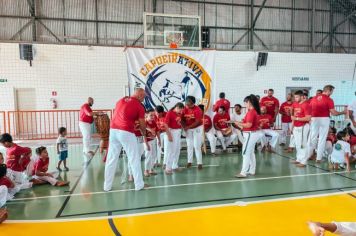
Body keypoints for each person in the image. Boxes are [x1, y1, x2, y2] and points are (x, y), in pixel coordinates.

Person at [104, 88, 148, 191]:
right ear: (139, 95)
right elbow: (142, 124)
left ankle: (107, 186)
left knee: (111, 159)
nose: (144, 99)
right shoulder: (139, 106)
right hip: (126, 132)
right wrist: (144, 133)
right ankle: (139, 185)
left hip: (113, 130)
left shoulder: (121, 100)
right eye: (144, 97)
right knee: (134, 158)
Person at [308, 85, 346, 163]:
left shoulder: (314, 98)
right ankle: (318, 158)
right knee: (322, 139)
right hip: (324, 119)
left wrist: (310, 119)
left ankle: (308, 155)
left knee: (312, 138)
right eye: (332, 91)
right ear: (328, 91)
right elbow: (334, 113)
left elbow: (309, 110)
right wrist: (343, 112)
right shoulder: (329, 99)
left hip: (314, 118)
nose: (332, 93)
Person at [234, 94, 261, 178]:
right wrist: (240, 123)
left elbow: (248, 125)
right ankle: (252, 170)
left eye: (245, 103)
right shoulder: (252, 111)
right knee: (251, 153)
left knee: (245, 153)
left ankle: (243, 172)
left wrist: (238, 123)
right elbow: (247, 123)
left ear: (249, 102)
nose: (245, 105)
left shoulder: (251, 112)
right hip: (252, 134)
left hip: (250, 134)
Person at [290, 90, 311, 168]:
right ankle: (299, 159)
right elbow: (293, 115)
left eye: (297, 97)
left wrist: (297, 119)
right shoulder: (295, 104)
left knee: (303, 144)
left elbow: (308, 118)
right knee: (297, 144)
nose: (295, 98)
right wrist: (292, 126)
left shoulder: (306, 105)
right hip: (296, 126)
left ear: (302, 97)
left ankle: (304, 161)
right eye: (294, 97)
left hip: (303, 126)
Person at [182, 96, 204, 169]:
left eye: (188, 102)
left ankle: (199, 163)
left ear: (192, 103)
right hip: (188, 128)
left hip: (197, 128)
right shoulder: (184, 108)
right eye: (186, 102)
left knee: (196, 146)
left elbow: (197, 122)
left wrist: (187, 127)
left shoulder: (197, 110)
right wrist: (184, 127)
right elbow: (181, 119)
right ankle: (189, 161)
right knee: (189, 145)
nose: (186, 104)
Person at [163, 102, 184, 175]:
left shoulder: (179, 114)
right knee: (171, 151)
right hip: (172, 132)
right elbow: (165, 124)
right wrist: (169, 135)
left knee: (177, 150)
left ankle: (174, 166)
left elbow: (179, 122)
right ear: (177, 107)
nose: (181, 112)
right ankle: (168, 168)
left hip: (178, 132)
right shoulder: (170, 113)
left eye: (182, 110)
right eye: (180, 110)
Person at [143, 109, 161, 177]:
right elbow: (143, 135)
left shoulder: (154, 122)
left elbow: (157, 132)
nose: (153, 117)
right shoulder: (144, 123)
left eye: (154, 115)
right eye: (151, 115)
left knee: (153, 155)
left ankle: (151, 169)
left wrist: (159, 140)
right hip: (147, 141)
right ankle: (146, 170)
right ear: (146, 115)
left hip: (153, 140)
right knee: (148, 156)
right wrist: (146, 144)